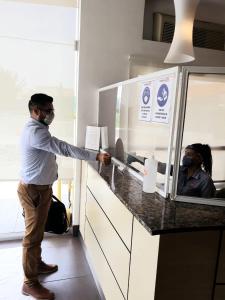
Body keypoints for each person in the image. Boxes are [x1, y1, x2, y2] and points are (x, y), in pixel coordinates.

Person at [17, 93, 111, 300]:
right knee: (32, 237)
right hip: (33, 191)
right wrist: (95, 155)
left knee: (38, 231)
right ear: (36, 111)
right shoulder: (37, 133)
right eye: (48, 111)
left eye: (52, 110)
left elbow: (48, 157)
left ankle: (37, 264)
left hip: (40, 189)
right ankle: (29, 283)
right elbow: (63, 148)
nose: (52, 114)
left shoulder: (38, 129)